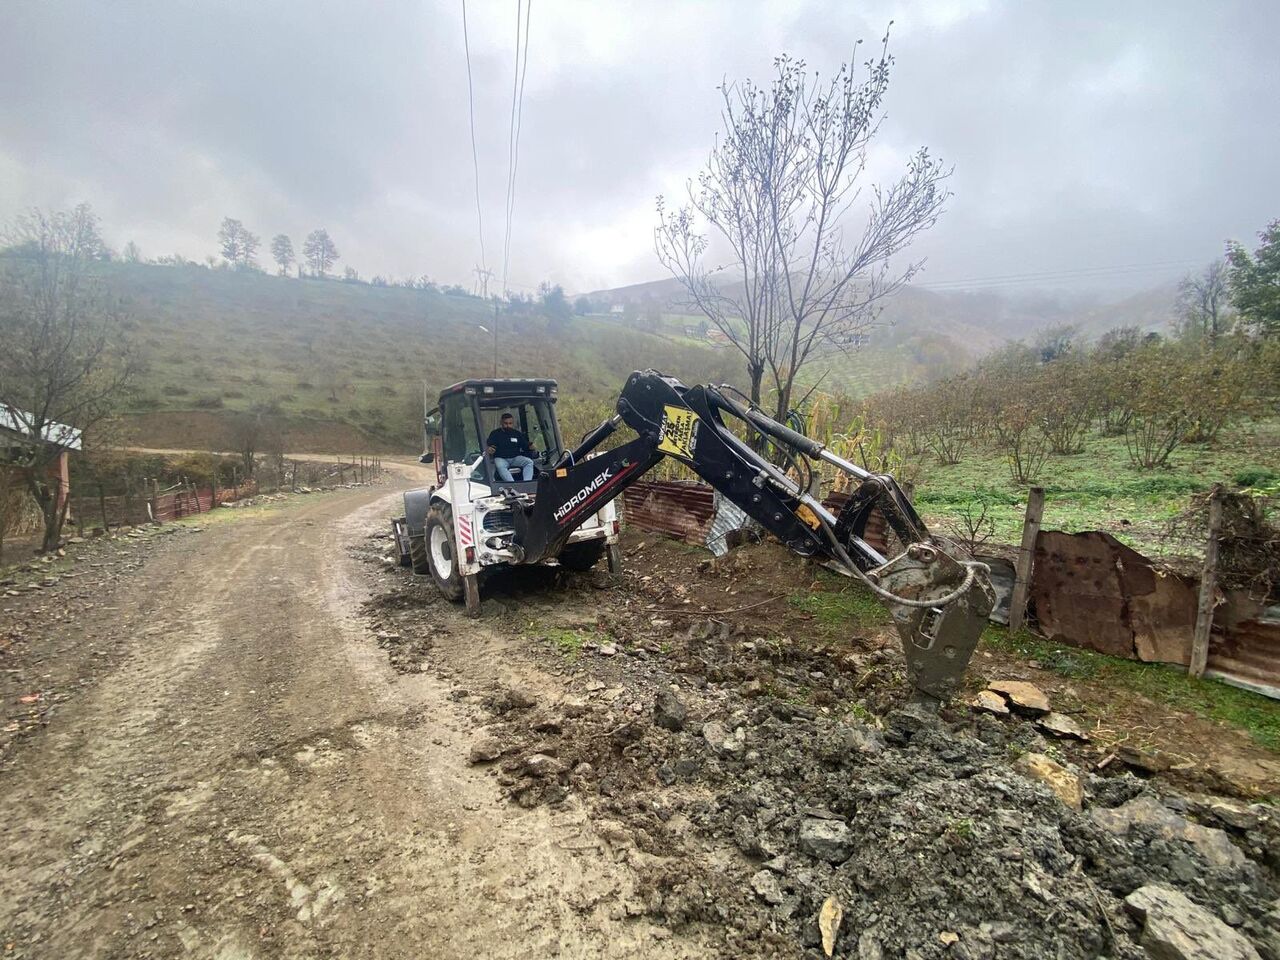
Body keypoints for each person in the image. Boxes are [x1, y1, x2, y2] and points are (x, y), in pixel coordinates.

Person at [486, 411, 538, 482]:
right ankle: (512, 484)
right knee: (499, 465)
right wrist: (490, 449)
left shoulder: (517, 434)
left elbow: (524, 445)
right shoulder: (495, 433)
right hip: (501, 458)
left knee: (529, 462)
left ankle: (526, 482)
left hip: (515, 458)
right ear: (501, 422)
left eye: (510, 423)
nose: (508, 425)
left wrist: (531, 446)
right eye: (506, 423)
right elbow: (490, 445)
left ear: (512, 423)